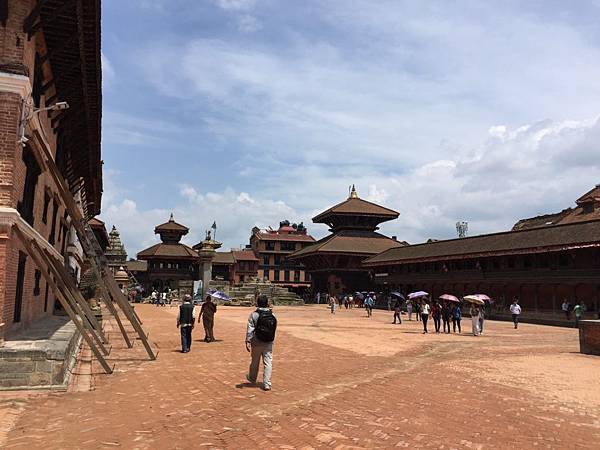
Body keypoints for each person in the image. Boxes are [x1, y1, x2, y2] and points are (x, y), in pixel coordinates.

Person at [245, 295, 277, 391]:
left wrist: (247, 340)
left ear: (257, 303)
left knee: (255, 361)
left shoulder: (254, 314)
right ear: (267, 303)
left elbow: (250, 329)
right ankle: (267, 383)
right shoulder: (273, 315)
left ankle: (252, 378)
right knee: (268, 362)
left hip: (257, 340)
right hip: (269, 341)